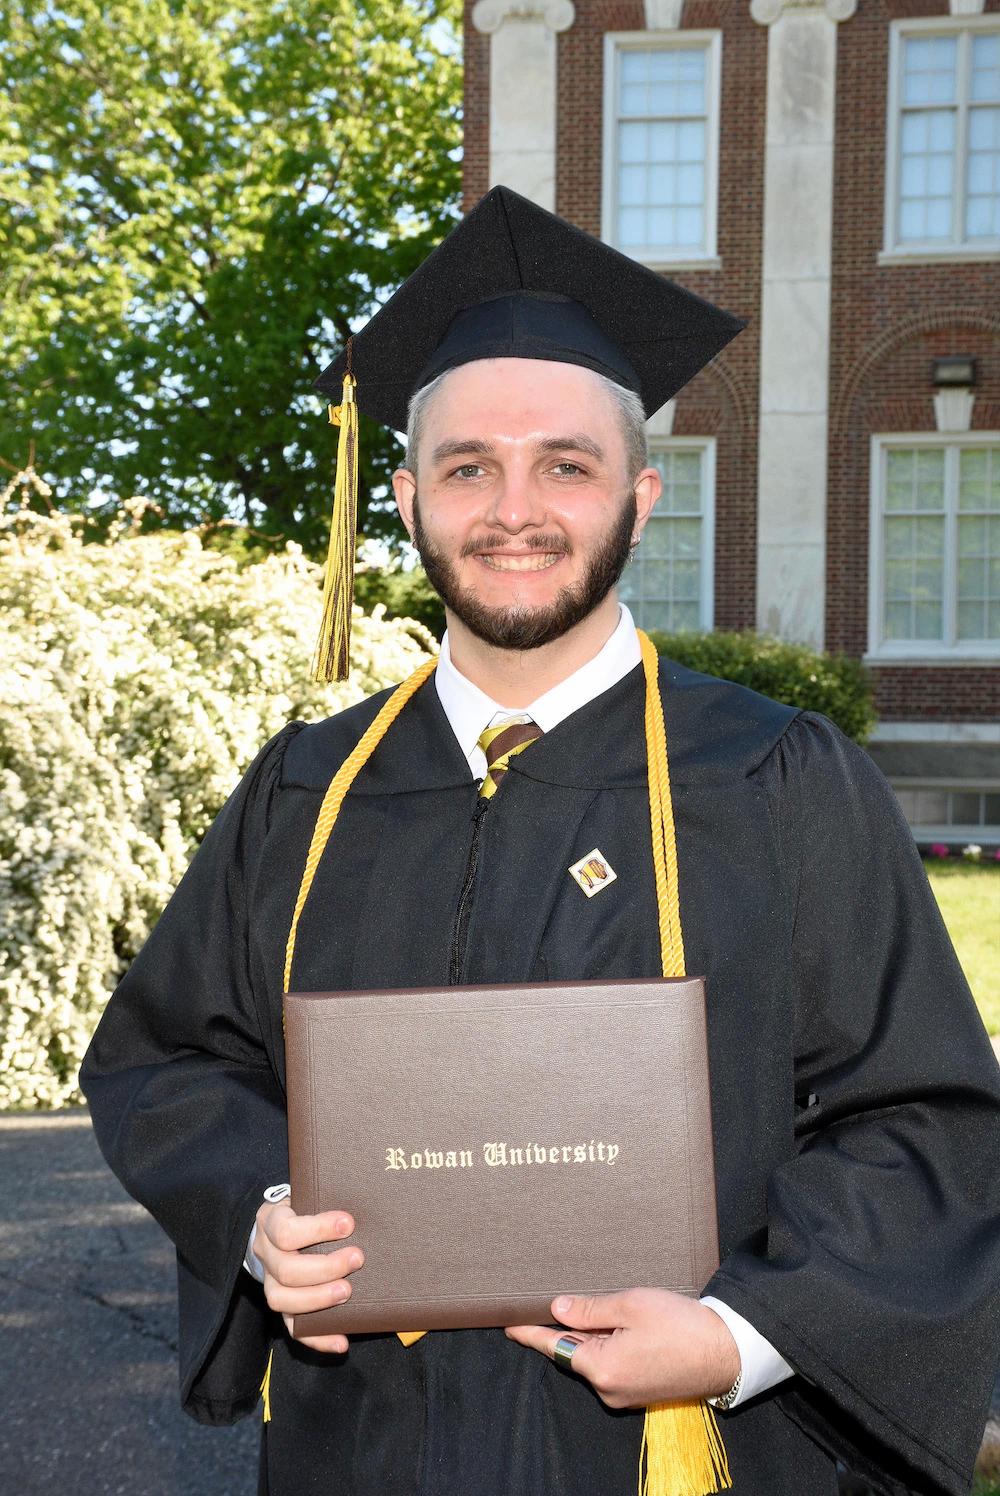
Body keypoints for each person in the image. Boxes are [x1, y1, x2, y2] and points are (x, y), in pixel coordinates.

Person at [80, 187, 1000, 1496]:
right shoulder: (310, 790)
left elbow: (921, 1123)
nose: (517, 509)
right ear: (404, 497)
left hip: (683, 1458)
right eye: (468, 466)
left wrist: (743, 1335)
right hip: (364, 1453)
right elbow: (169, 1060)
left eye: (565, 463)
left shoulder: (777, 782)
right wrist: (258, 1220)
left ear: (642, 491)